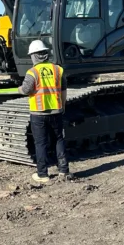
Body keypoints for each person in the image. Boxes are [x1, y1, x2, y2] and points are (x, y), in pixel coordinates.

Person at [18, 40, 72, 183]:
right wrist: (63, 106)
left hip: (38, 113)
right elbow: (63, 89)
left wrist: (18, 89)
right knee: (59, 139)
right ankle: (64, 171)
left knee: (40, 143)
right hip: (56, 111)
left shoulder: (32, 72)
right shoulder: (57, 69)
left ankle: (42, 174)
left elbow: (25, 90)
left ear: (34, 56)